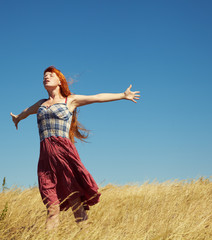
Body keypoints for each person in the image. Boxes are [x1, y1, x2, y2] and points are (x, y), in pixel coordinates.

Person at [10, 66, 140, 230]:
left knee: (75, 202)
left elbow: (97, 97)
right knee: (52, 209)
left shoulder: (69, 100)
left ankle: (85, 234)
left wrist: (122, 95)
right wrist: (17, 118)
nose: (46, 77)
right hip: (46, 159)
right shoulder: (41, 104)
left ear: (59, 81)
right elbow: (26, 112)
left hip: (65, 155)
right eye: (44, 76)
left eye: (51, 75)